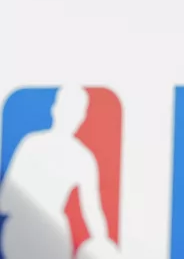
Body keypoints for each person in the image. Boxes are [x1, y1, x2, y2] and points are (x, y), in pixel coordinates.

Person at [0, 86, 118, 259]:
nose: (70, 116)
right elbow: (6, 199)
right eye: (66, 108)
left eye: (75, 111)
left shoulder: (83, 158)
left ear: (82, 116)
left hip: (53, 237)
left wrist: (102, 246)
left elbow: (92, 211)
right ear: (55, 109)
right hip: (20, 231)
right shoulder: (32, 144)